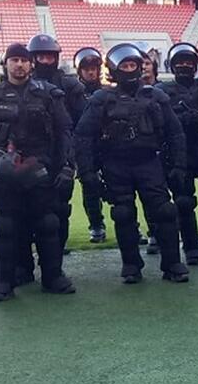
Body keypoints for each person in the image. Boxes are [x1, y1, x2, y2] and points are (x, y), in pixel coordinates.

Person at [0, 43, 75, 301]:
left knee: (48, 223)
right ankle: (4, 282)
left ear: (31, 64)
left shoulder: (49, 95)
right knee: (7, 226)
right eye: (14, 60)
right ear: (6, 64)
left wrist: (67, 166)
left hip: (41, 169)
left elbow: (64, 133)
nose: (19, 65)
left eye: (23, 60)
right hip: (4, 172)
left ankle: (53, 277)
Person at [75, 43, 189, 284]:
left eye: (132, 65)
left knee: (165, 211)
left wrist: (179, 165)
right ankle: (131, 266)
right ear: (114, 70)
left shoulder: (156, 96)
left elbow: (175, 133)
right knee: (123, 214)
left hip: (149, 162)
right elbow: (83, 136)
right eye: (124, 66)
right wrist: (87, 172)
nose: (129, 70)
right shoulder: (101, 99)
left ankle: (172, 263)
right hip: (115, 165)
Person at [159, 42, 198, 265]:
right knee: (184, 202)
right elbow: (159, 122)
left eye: (188, 62)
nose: (184, 66)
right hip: (179, 155)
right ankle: (191, 247)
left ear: (196, 65)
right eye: (180, 63)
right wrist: (180, 120)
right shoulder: (162, 91)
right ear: (172, 66)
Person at [27, 34, 87, 254]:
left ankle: (56, 252)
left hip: (63, 151)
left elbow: (82, 122)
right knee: (28, 206)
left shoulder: (70, 85)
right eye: (40, 57)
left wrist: (74, 157)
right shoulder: (23, 83)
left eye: (49, 57)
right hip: (32, 153)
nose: (45, 61)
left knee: (61, 207)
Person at [74, 46, 108, 242]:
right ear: (80, 71)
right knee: (89, 186)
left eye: (93, 68)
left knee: (121, 187)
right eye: (86, 69)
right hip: (85, 147)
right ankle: (96, 224)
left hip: (108, 145)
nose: (90, 72)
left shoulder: (108, 92)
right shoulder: (73, 94)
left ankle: (131, 226)